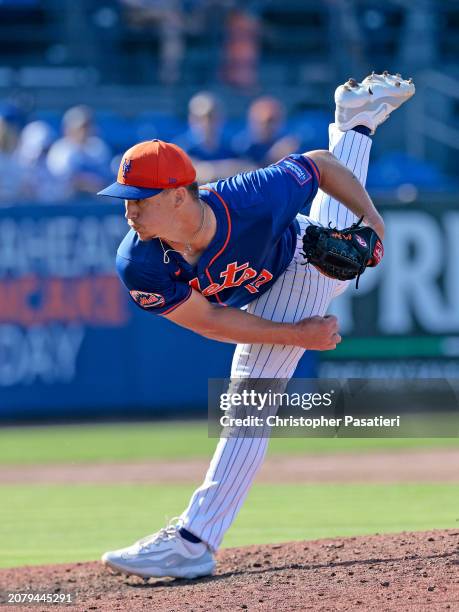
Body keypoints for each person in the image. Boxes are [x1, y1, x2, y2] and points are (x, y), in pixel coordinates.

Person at [97, 72, 414, 580]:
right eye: (126, 196)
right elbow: (212, 321)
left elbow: (320, 167)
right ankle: (356, 123)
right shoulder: (138, 262)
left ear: (179, 195)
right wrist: (298, 336)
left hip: (299, 262)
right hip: (257, 293)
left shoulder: (248, 198)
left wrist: (375, 225)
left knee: (248, 402)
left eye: (139, 196)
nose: (129, 208)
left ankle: (194, 541)